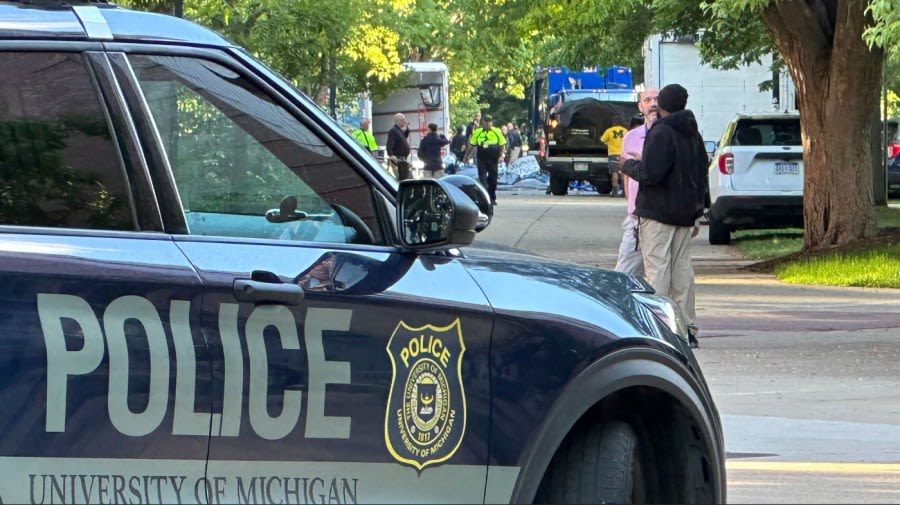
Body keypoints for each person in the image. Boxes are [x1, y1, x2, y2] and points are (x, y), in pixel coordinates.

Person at [620, 83, 708, 348]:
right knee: (682, 271)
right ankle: (687, 327)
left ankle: (661, 326)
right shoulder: (693, 133)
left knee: (657, 269)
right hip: (684, 213)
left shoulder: (662, 132)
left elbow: (651, 173)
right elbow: (702, 168)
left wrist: (628, 166)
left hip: (658, 212)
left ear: (664, 106)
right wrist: (699, 208)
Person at [614, 89, 659, 278]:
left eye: (657, 99)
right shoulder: (631, 137)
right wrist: (630, 204)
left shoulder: (670, 135)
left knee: (660, 272)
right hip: (636, 217)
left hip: (661, 216)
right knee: (626, 272)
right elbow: (626, 173)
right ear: (640, 106)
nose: (652, 104)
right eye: (647, 100)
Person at [463, 115, 506, 206]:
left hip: (493, 158)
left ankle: (492, 197)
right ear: (482, 122)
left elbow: (502, 144)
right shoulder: (478, 132)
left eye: (490, 121)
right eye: (486, 121)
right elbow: (471, 145)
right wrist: (466, 156)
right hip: (482, 158)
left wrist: (501, 155)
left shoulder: (496, 131)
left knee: (493, 179)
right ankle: (485, 198)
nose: (488, 123)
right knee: (482, 178)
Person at [601, 121, 629, 196]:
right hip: (623, 154)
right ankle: (624, 191)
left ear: (613, 123)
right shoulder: (625, 130)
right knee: (623, 172)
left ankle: (615, 191)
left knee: (614, 172)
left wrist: (608, 144)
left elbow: (602, 140)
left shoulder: (609, 130)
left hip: (613, 154)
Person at [386, 113, 412, 180]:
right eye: (403, 120)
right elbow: (389, 144)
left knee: (407, 177)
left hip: (403, 159)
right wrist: (391, 155)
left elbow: (404, 136)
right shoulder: (393, 131)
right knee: (403, 179)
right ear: (398, 121)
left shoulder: (399, 131)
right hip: (398, 159)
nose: (405, 121)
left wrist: (407, 129)